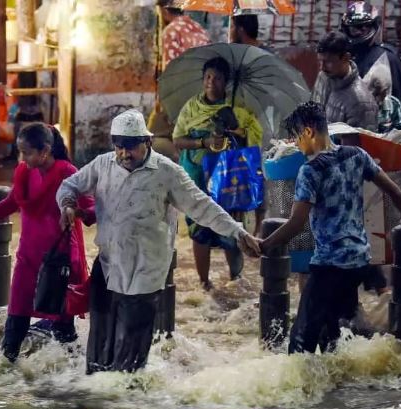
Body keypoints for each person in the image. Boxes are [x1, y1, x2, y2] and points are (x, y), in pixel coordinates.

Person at [57, 109, 261, 374]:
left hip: (145, 271)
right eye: (119, 148)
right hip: (108, 264)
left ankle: (128, 400)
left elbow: (202, 206)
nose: (124, 155)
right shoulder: (103, 164)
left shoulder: (167, 172)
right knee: (100, 341)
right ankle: (97, 399)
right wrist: (68, 206)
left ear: (148, 142)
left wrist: (238, 232)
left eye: (131, 148)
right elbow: (68, 186)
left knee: (131, 351)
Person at [262, 102, 401, 354]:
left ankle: (304, 391)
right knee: (334, 335)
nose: (297, 144)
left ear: (308, 132)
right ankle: (341, 390)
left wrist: (265, 245)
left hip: (329, 266)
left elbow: (297, 223)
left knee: (299, 344)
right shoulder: (357, 155)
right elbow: (396, 193)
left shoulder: (310, 171)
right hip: (360, 262)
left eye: (297, 137)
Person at [0, 124, 94, 362]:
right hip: (28, 258)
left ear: (45, 151)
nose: (21, 158)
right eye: (20, 152)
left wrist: (75, 212)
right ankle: (5, 374)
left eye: (26, 152)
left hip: (58, 262)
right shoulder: (25, 172)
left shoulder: (68, 172)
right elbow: (12, 202)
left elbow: (92, 208)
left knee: (63, 328)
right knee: (15, 318)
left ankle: (76, 380)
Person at [172, 56, 264, 291]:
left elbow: (253, 142)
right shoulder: (191, 108)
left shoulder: (239, 109)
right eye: (208, 77)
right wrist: (204, 142)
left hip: (228, 181)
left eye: (218, 78)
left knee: (232, 229)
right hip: (198, 178)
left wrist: (236, 130)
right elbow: (178, 139)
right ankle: (204, 284)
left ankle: (237, 281)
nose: (211, 82)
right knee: (199, 229)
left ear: (226, 82)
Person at [148, 0, 211, 162]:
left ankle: (177, 163)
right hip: (202, 96)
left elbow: (170, 71)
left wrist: (164, 101)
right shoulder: (199, 29)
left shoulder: (171, 31)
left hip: (180, 95)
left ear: (163, 10)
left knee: (151, 137)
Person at [341, 1, 401, 116]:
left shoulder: (387, 57)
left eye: (363, 28)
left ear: (373, 26)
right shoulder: (346, 56)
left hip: (381, 126)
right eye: (354, 29)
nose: (358, 32)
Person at [311, 31, 378, 131]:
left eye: (328, 62)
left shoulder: (361, 102)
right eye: (320, 61)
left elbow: (359, 145)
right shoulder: (324, 76)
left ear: (346, 57)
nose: (322, 67)